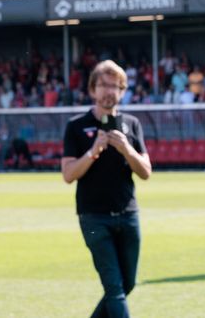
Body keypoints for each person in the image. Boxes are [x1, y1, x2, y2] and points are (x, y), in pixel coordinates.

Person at [60, 60, 152, 318]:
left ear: (122, 91)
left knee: (127, 283)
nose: (109, 91)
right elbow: (68, 175)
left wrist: (126, 148)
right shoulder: (76, 126)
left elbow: (145, 171)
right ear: (93, 89)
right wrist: (93, 151)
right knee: (114, 288)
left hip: (128, 214)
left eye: (115, 86)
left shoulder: (131, 124)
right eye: (103, 85)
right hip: (94, 217)